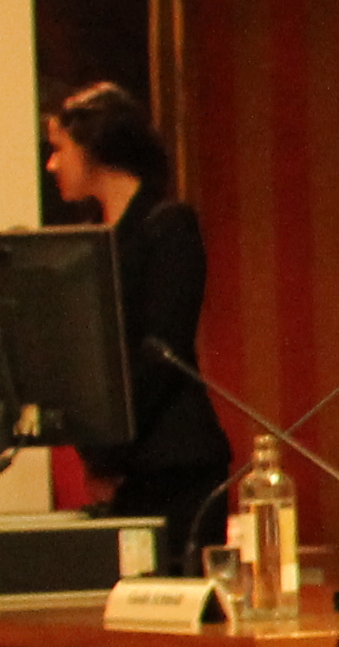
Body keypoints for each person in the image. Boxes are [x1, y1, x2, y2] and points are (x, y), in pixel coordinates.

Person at [44, 80, 230, 568]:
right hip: (122, 467)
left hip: (174, 462)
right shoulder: (89, 243)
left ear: (96, 147)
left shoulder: (167, 227)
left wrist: (110, 453)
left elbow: (159, 351)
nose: (53, 165)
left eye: (59, 149)